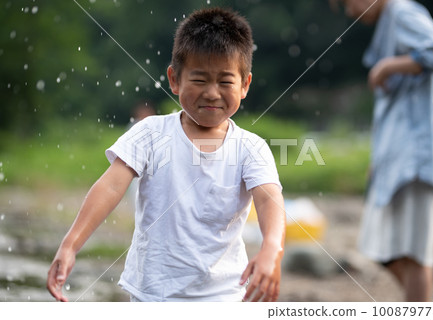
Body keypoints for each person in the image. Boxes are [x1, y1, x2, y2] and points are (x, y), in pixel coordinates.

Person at [47, 7, 286, 302]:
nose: (212, 93)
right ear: (174, 80)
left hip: (225, 295)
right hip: (153, 292)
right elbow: (110, 187)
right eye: (199, 80)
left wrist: (271, 249)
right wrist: (70, 245)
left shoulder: (251, 148)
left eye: (225, 82)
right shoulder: (150, 134)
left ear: (245, 85)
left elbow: (268, 200)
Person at [335, 0, 433, 301]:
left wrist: (389, 65)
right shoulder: (390, 20)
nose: (350, 12)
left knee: (414, 255)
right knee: (384, 249)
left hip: (418, 156)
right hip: (399, 157)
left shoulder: (402, 11)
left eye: (348, 3)